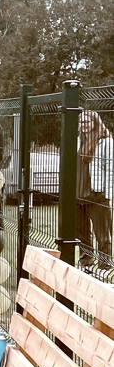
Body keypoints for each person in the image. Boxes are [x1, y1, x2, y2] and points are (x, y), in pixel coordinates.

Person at [77, 110, 113, 271]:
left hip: (97, 195)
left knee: (102, 235)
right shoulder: (78, 140)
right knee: (82, 234)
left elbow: (111, 169)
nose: (84, 125)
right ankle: (87, 264)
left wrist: (107, 195)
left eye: (87, 122)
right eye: (81, 122)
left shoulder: (106, 142)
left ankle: (104, 267)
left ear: (96, 122)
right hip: (78, 195)